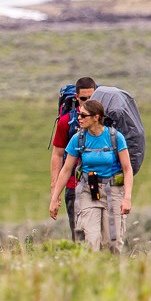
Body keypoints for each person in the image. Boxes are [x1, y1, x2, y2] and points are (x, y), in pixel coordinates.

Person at [49, 99, 133, 254]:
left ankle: (113, 274)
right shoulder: (78, 139)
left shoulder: (115, 137)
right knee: (91, 241)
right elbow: (66, 169)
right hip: (89, 190)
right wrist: (55, 198)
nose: (78, 118)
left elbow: (127, 169)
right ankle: (91, 273)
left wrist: (127, 197)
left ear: (96, 117)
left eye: (83, 115)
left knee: (112, 242)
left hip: (113, 191)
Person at [50, 77, 97, 240]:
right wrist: (54, 192)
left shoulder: (104, 121)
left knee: (97, 231)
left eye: (92, 97)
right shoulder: (66, 122)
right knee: (78, 234)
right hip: (73, 185)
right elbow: (57, 154)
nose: (88, 102)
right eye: (84, 98)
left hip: (97, 183)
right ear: (76, 98)